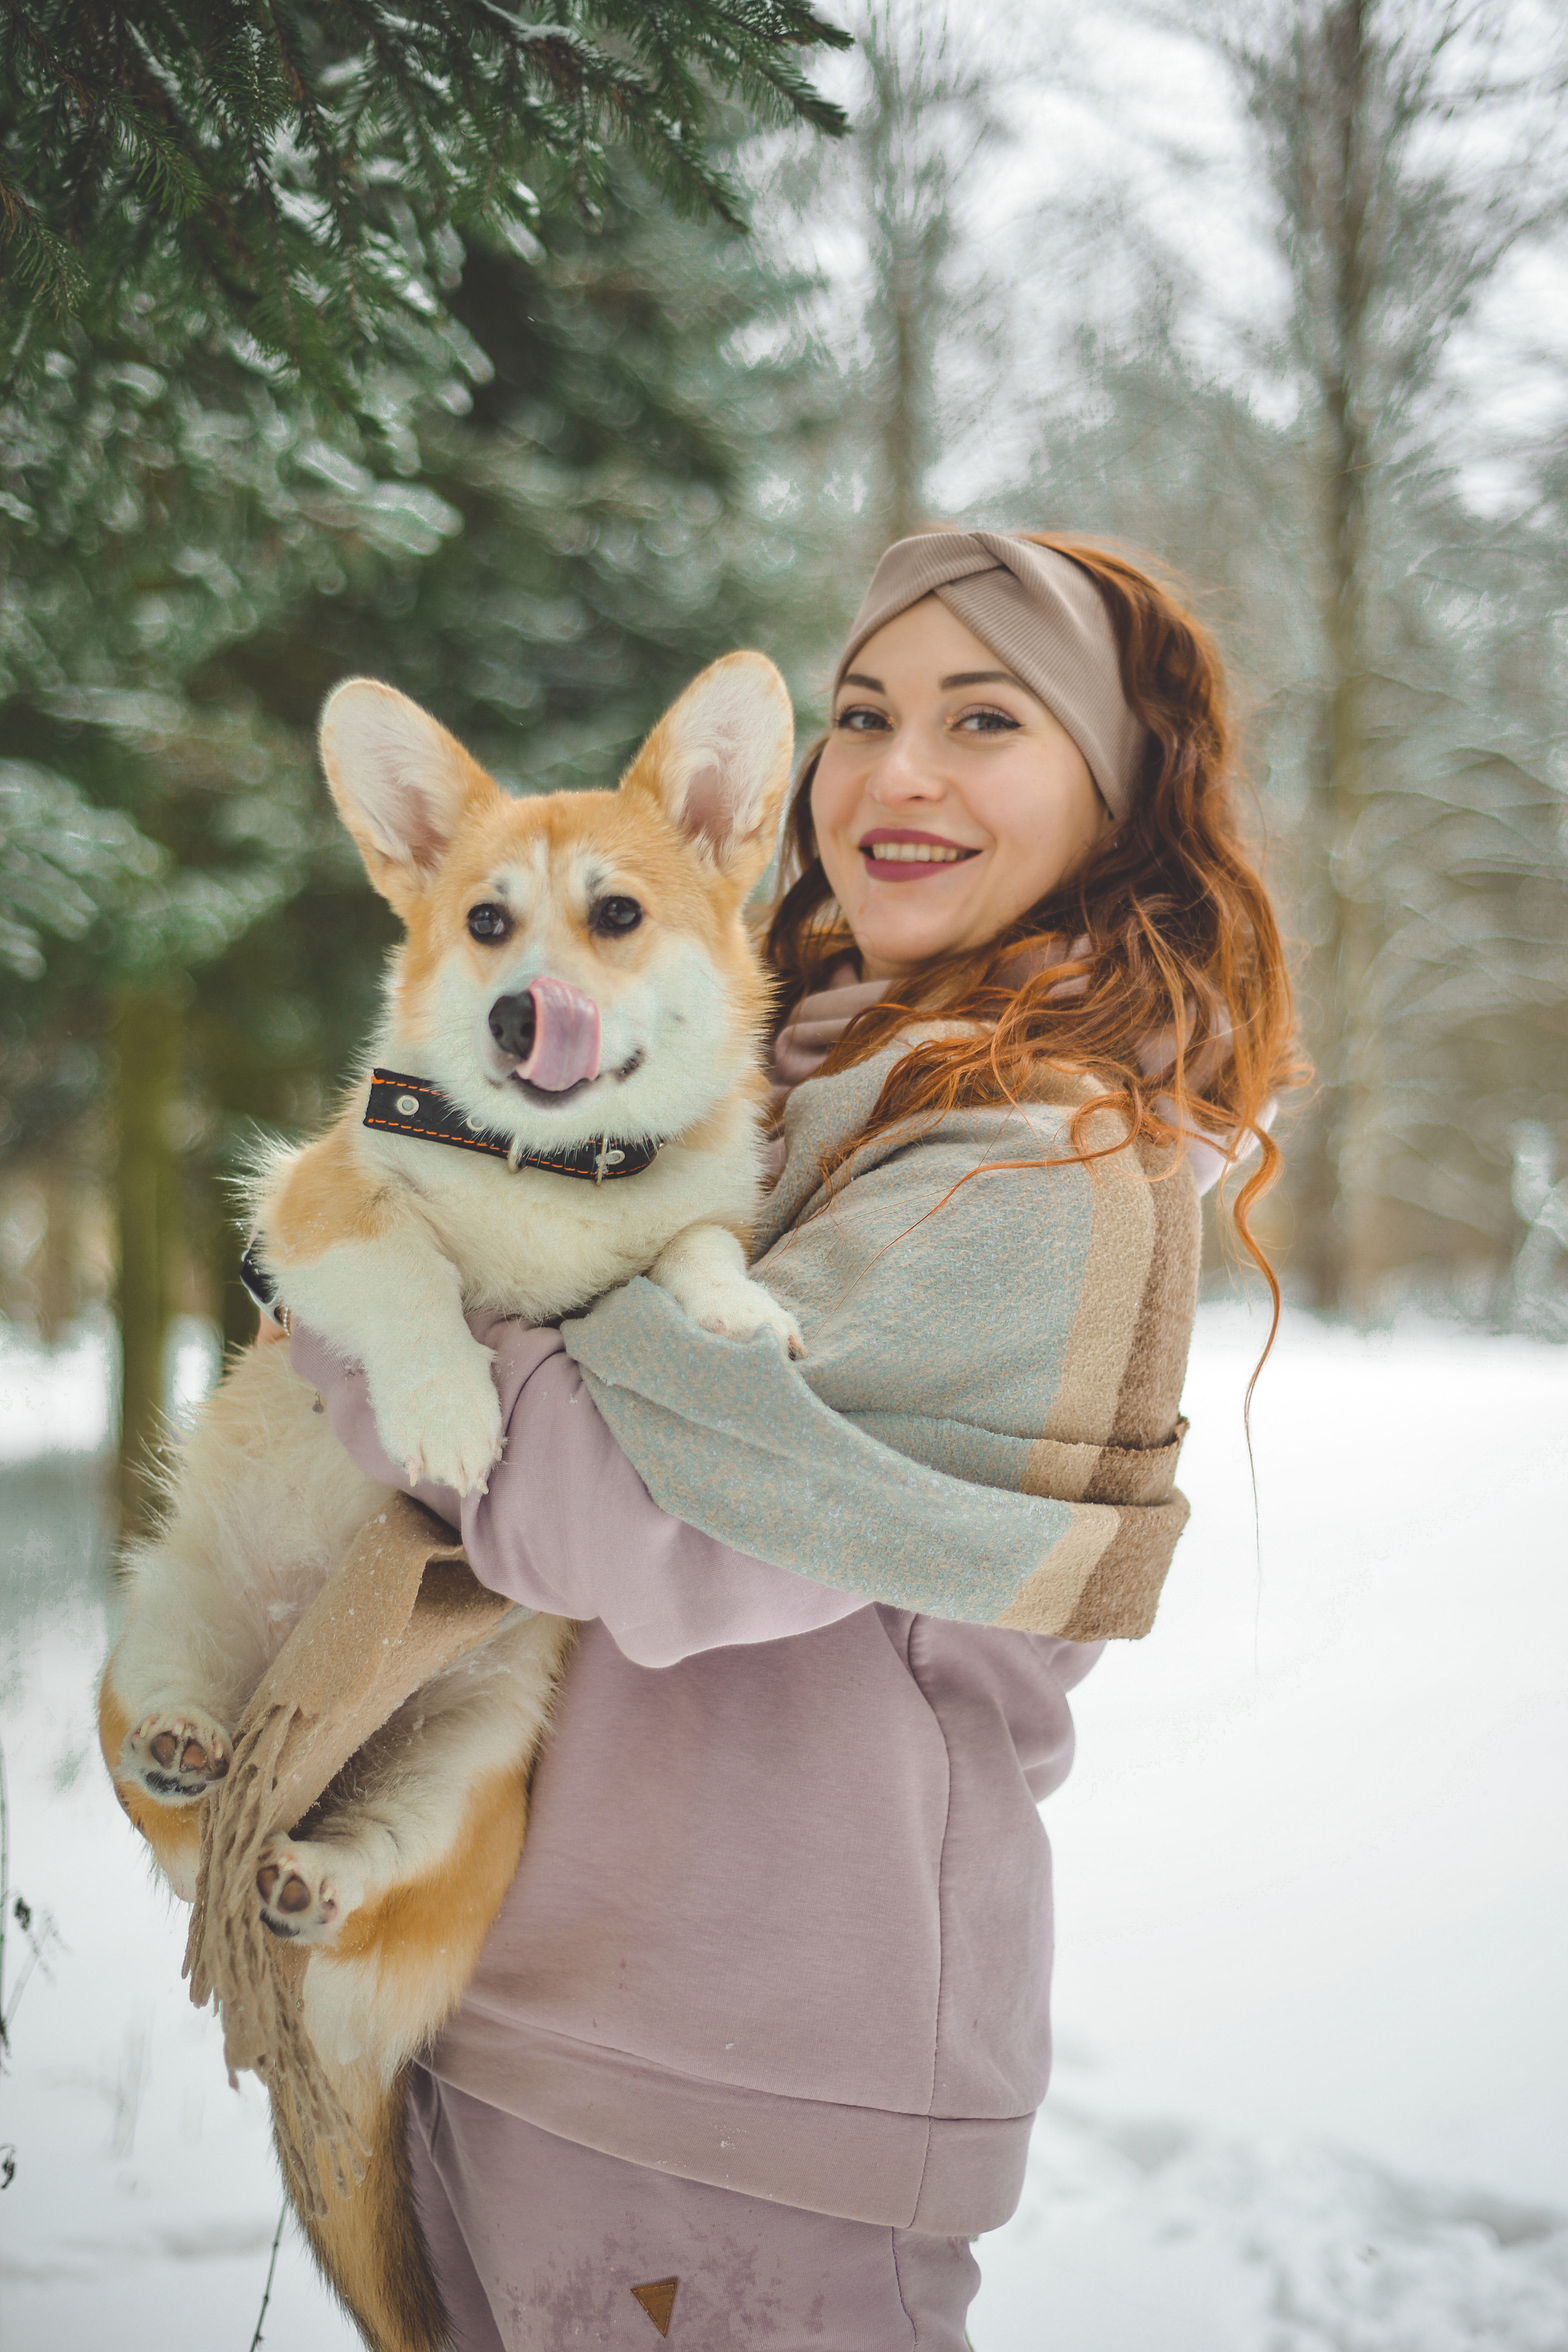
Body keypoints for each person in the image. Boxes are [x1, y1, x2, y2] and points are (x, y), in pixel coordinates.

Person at [291, 529, 1295, 2350]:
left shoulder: (1039, 1161)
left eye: (985, 720)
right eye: (864, 713)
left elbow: (644, 1533)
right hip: (521, 1993)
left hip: (741, 2075)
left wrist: (364, 1312)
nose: (898, 773)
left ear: (1117, 787)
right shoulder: (797, 1076)